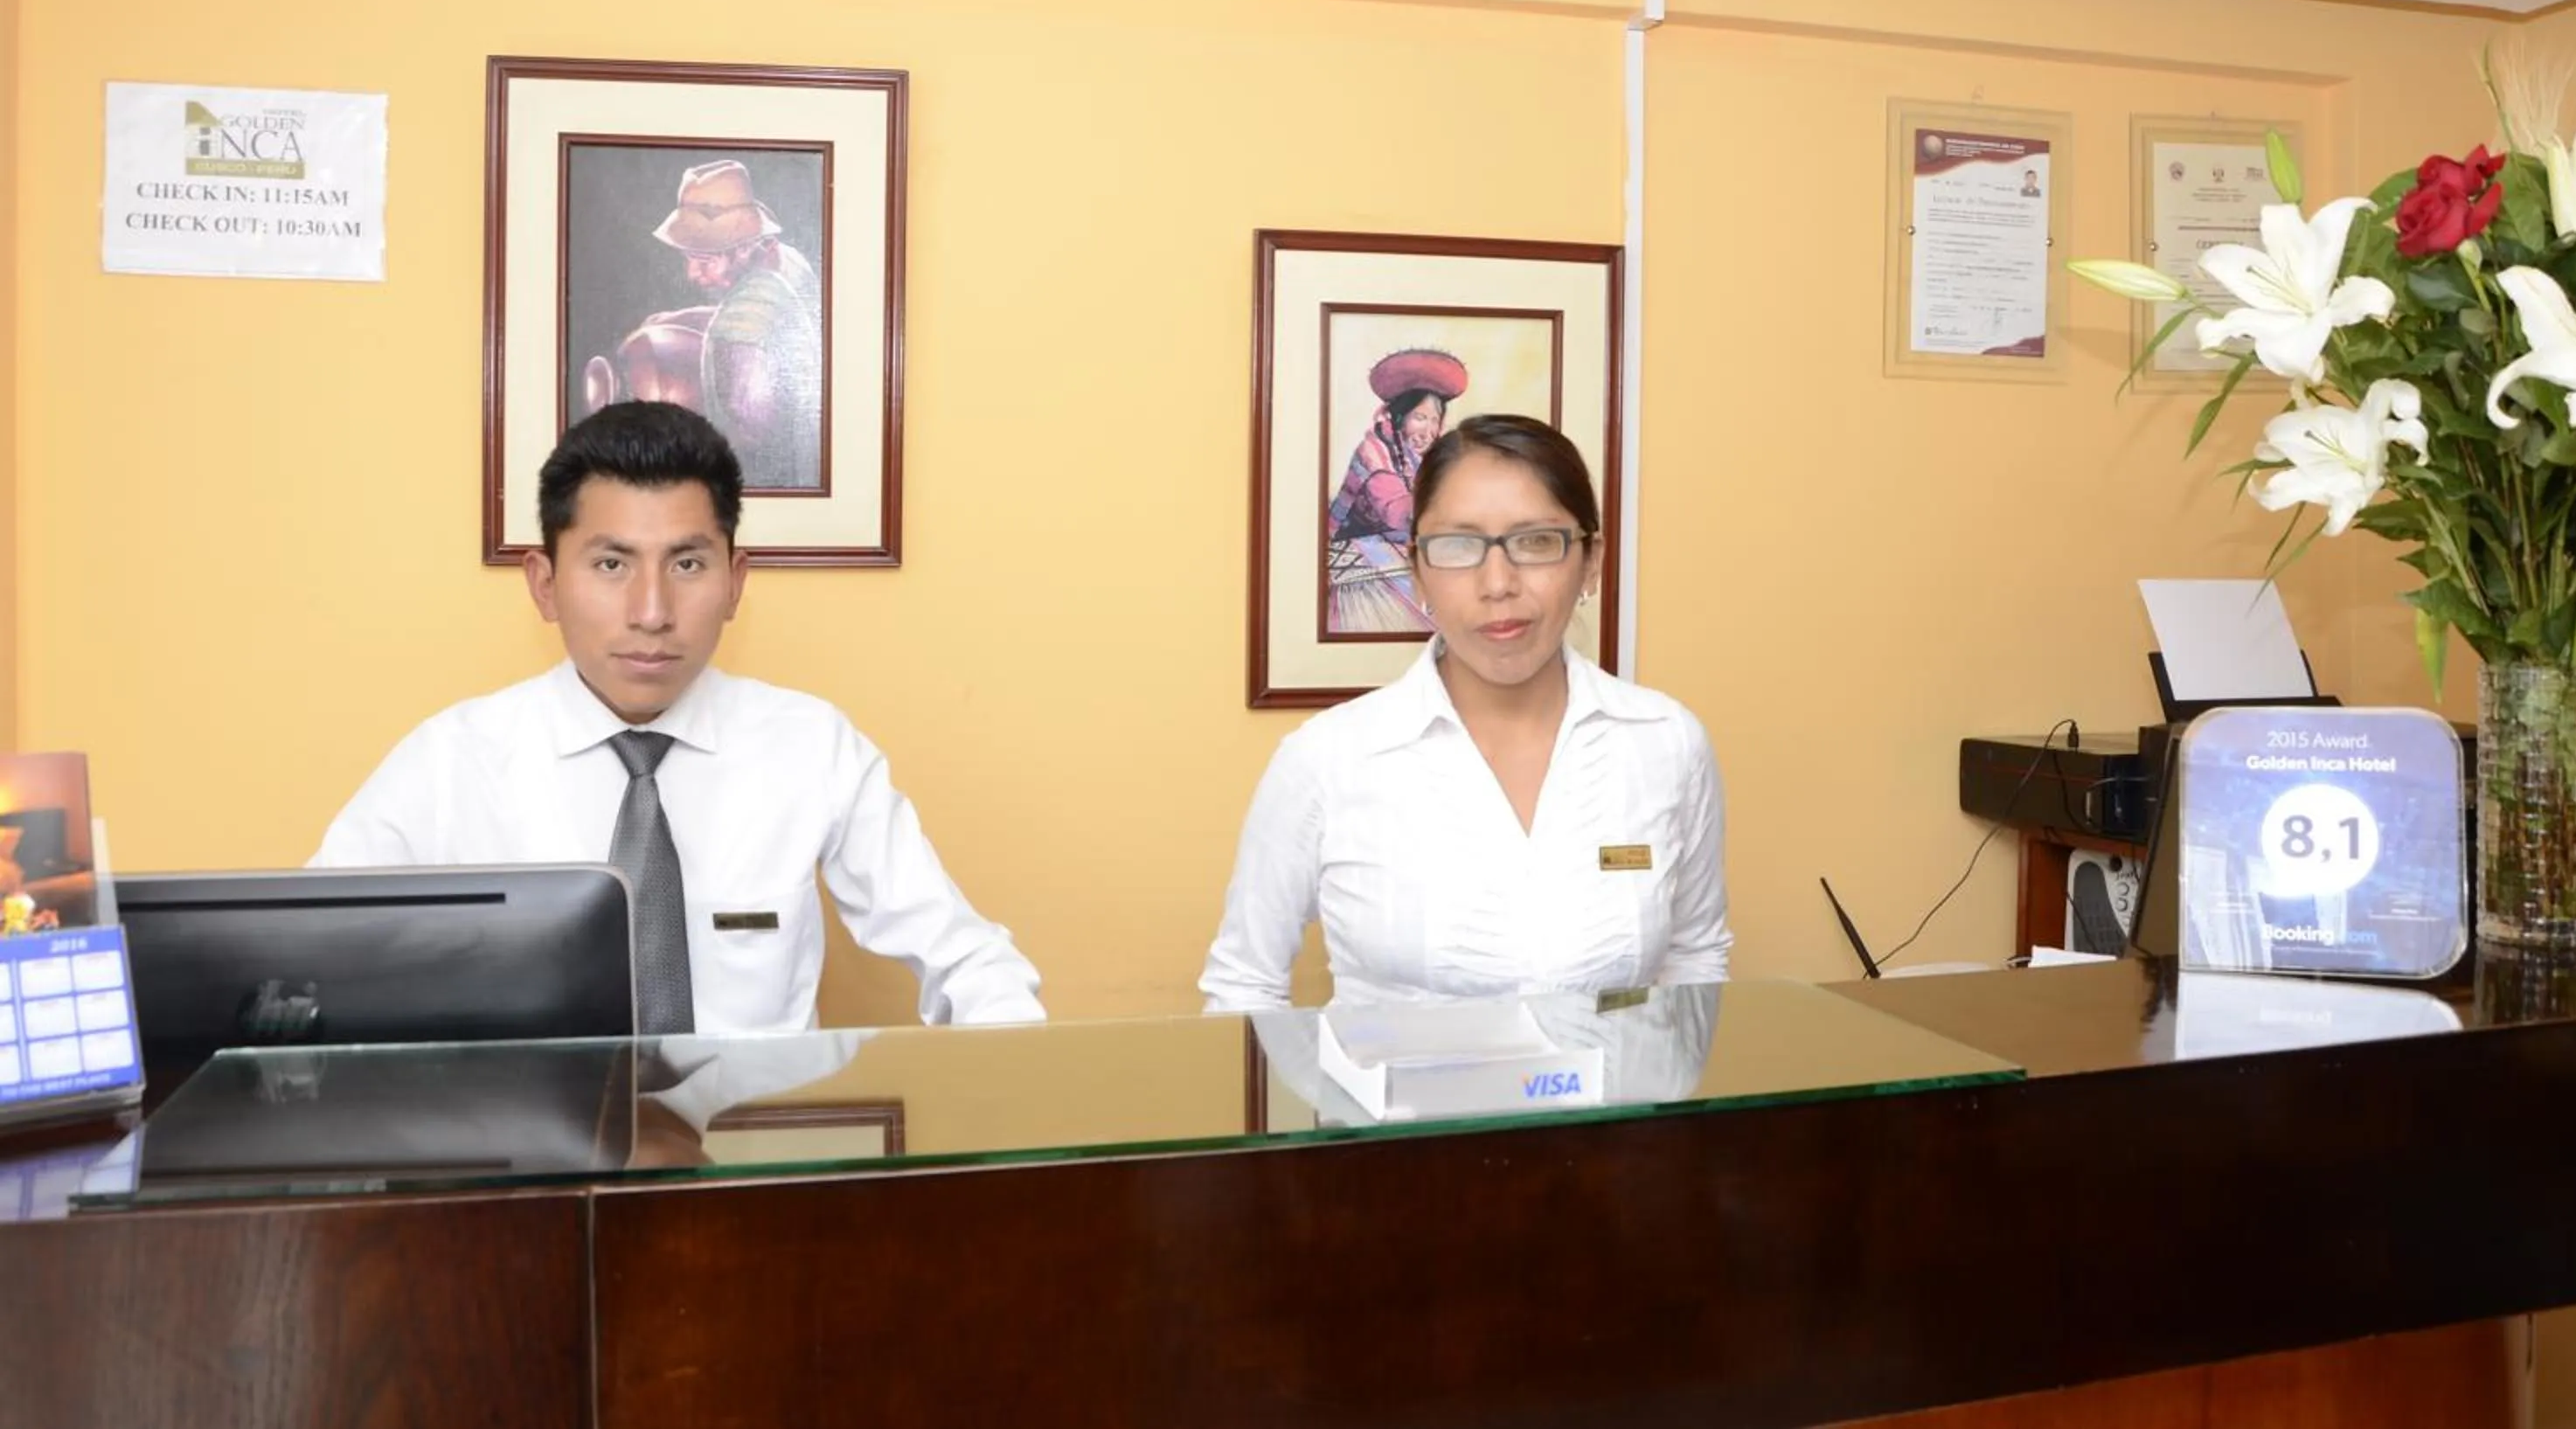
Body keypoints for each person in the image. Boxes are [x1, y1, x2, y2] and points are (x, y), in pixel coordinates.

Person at [314, 402, 1043, 1034]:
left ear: (736, 581)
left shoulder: (811, 747)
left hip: (752, 1165)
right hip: (525, 1167)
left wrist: (1019, 1081)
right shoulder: (450, 761)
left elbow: (967, 958)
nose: (652, 612)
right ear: (544, 584)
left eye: (688, 565)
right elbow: (304, 966)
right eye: (611, 565)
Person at [1202, 413, 1731, 1009]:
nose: (1498, 583)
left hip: (1621, 1102)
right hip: (1398, 1107)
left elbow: (1695, 957)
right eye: (1458, 546)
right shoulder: (1327, 760)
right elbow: (1244, 986)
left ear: (1590, 561)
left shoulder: (1665, 742)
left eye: (1535, 542)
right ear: (1418, 570)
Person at [584, 159, 826, 490]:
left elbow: (754, 438)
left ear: (743, 249)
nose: (692, 274)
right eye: (688, 258)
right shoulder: (787, 261)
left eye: (704, 260)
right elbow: (762, 316)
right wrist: (685, 320)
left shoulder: (736, 336)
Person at [1325, 348, 1466, 634]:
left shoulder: (1427, 454)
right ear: (1399, 417)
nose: (1428, 429)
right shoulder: (1373, 453)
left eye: (1435, 419)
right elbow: (1398, 514)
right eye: (1420, 417)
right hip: (1358, 553)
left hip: (1404, 542)